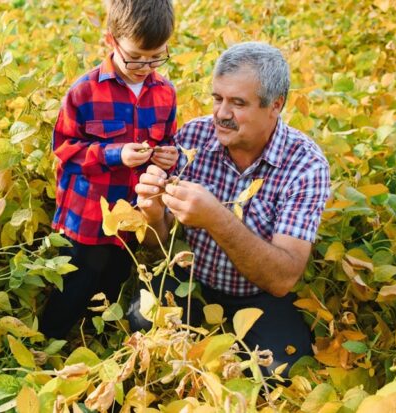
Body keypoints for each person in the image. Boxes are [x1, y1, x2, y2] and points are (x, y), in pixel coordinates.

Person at [128, 42, 331, 376]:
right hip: (190, 281)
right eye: (217, 98)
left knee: (284, 370)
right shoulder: (194, 137)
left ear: (275, 106)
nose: (221, 114)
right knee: (142, 322)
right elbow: (159, 244)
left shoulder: (305, 165)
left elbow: (283, 278)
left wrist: (217, 218)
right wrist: (152, 214)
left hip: (259, 295)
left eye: (238, 103)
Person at [40, 0, 179, 340]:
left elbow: (172, 141)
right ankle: (49, 339)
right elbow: (65, 150)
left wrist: (169, 158)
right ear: (110, 41)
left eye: (156, 57)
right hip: (86, 216)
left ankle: (92, 338)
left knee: (112, 281)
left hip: (129, 217)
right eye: (135, 57)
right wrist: (114, 154)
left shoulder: (165, 94)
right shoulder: (84, 92)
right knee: (76, 283)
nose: (145, 66)